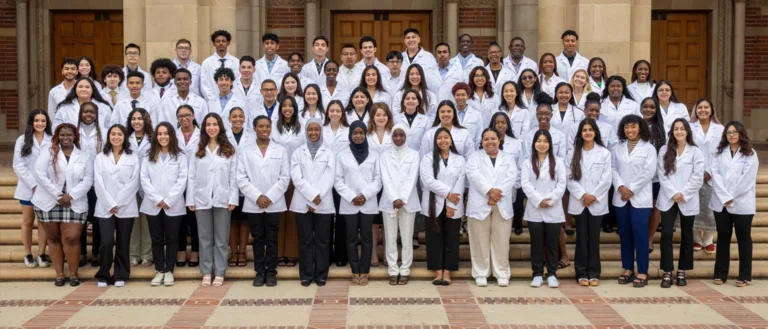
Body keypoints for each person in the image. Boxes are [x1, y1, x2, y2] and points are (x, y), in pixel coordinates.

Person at [32, 123, 92, 286]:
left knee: (71, 238)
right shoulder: (48, 152)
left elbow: (88, 179)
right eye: (62, 135)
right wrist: (58, 195)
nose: (66, 138)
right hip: (49, 201)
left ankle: (73, 274)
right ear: (57, 137)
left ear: (75, 137)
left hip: (74, 201)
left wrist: (70, 196)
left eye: (69, 135)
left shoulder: (84, 155)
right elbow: (40, 175)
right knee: (54, 238)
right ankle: (59, 274)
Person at [186, 113, 239, 287]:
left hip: (223, 199)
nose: (211, 127)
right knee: (204, 237)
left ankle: (220, 271)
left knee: (222, 238)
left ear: (220, 127)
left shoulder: (229, 149)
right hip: (201, 198)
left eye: (214, 124)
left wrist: (233, 198)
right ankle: (207, 271)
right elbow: (191, 176)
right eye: (208, 124)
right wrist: (190, 199)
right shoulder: (197, 149)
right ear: (204, 128)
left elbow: (233, 177)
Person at [238, 115, 291, 287]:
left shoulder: (280, 150)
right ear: (254, 128)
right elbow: (241, 178)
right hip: (254, 203)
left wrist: (268, 197)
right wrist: (257, 197)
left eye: (267, 126)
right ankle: (260, 271)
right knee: (258, 238)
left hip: (274, 202)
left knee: (272, 237)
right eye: (261, 126)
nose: (264, 129)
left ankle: (271, 272)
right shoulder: (245, 151)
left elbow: (284, 178)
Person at [710, 120, 760, 287]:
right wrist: (725, 197)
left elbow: (747, 180)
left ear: (741, 134)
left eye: (734, 132)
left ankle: (744, 275)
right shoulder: (718, 153)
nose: (731, 134)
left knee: (743, 238)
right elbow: (715, 176)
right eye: (728, 132)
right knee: (723, 238)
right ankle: (720, 273)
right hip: (721, 203)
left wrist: (732, 196)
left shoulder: (750, 154)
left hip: (742, 203)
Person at [657, 118, 705, 288]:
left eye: (682, 129)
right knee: (666, 235)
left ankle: (682, 269)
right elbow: (661, 174)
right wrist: (673, 193)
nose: (679, 132)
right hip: (669, 198)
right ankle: (667, 271)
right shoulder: (664, 150)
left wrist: (683, 193)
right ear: (672, 132)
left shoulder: (695, 152)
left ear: (687, 132)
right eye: (676, 129)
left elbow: (698, 177)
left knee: (686, 235)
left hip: (688, 198)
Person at [465, 129, 516, 287]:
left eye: (493, 138)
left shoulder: (508, 158)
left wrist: (496, 195)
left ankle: (501, 272)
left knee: (501, 240)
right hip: (480, 202)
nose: (490, 142)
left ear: (499, 140)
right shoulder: (474, 157)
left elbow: (511, 177)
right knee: (479, 239)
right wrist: (489, 191)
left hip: (501, 203)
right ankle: (481, 272)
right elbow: (473, 175)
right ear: (481, 141)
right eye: (486, 139)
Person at [335, 120, 382, 286]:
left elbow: (378, 180)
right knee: (351, 238)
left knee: (367, 239)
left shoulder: (375, 154)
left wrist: (364, 195)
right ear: (350, 135)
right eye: (355, 133)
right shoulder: (341, 155)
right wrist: (352, 197)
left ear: (365, 134)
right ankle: (355, 271)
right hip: (350, 203)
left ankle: (365, 271)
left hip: (368, 203)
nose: (358, 136)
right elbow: (338, 180)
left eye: (361, 133)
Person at [141, 122, 188, 286]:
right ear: (156, 136)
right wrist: (157, 199)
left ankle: (169, 271)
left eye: (166, 133)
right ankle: (159, 270)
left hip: (173, 204)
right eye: (160, 134)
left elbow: (182, 180)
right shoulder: (148, 155)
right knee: (156, 239)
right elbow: (144, 179)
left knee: (172, 238)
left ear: (172, 136)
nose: (163, 136)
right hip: (152, 204)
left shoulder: (180, 156)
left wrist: (168, 200)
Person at [94, 124, 141, 288]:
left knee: (123, 241)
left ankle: (121, 273)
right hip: (104, 206)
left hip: (125, 206)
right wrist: (109, 203)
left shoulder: (133, 157)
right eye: (113, 134)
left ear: (125, 137)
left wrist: (118, 203)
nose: (116, 137)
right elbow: (98, 182)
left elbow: (133, 182)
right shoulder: (100, 157)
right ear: (109, 137)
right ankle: (104, 273)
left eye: (119, 134)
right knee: (106, 241)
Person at [613, 114, 657, 288]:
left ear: (640, 128)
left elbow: (649, 172)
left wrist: (631, 189)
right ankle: (628, 268)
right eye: (626, 127)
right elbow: (612, 169)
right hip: (621, 197)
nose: (629, 130)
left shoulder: (649, 149)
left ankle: (643, 271)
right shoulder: (617, 148)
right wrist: (620, 187)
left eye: (633, 127)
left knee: (640, 235)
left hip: (640, 198)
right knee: (625, 235)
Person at [566, 118, 611, 287]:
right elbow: (568, 178)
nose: (587, 133)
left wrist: (593, 196)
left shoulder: (604, 153)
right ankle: (581, 273)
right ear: (580, 133)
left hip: (596, 202)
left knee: (594, 238)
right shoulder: (573, 153)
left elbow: (606, 179)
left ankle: (594, 272)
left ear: (595, 133)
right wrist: (583, 195)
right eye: (584, 130)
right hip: (580, 202)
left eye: (590, 130)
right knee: (581, 239)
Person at [291, 118, 335, 286]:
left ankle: (321, 274)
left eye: (317, 129)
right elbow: (296, 177)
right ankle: (306, 274)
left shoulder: (329, 152)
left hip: (323, 203)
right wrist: (311, 196)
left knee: (323, 241)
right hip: (302, 203)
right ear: (306, 131)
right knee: (305, 240)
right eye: (310, 130)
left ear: (321, 131)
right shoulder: (297, 152)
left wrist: (317, 197)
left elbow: (329, 176)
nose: (313, 133)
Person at [522, 129, 566, 288]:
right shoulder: (527, 162)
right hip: (535, 209)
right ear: (534, 143)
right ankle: (537, 274)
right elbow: (525, 184)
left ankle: (552, 274)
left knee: (552, 243)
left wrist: (551, 200)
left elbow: (562, 184)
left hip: (553, 208)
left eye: (545, 141)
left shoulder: (558, 161)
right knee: (537, 244)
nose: (542, 144)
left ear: (550, 144)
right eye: (539, 141)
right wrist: (538, 200)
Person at [421, 128, 466, 286]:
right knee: (434, 239)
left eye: (446, 137)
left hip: (454, 205)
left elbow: (460, 182)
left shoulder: (460, 159)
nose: (443, 140)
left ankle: (447, 272)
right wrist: (448, 194)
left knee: (451, 239)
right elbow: (428, 181)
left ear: (451, 140)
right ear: (435, 141)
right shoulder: (427, 158)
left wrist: (452, 203)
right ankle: (437, 272)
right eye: (439, 138)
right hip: (433, 205)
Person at [379, 123, 420, 285]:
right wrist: (394, 198)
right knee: (390, 238)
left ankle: (405, 269)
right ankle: (393, 269)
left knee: (407, 237)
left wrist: (402, 198)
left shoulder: (414, 155)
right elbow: (385, 178)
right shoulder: (384, 155)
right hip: (389, 202)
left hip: (408, 202)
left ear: (406, 136)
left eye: (401, 135)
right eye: (395, 135)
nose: (398, 138)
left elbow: (412, 178)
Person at [14, 109, 52, 268]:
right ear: (31, 122)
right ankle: (28, 254)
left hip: (46, 188)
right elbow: (18, 165)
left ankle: (42, 253)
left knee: (43, 222)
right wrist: (33, 184)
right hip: (28, 188)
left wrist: (45, 185)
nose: (40, 124)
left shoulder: (52, 140)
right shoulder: (22, 140)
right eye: (37, 121)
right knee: (28, 221)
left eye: (43, 121)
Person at [271, 96, 304, 268]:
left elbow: (305, 151)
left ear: (295, 108)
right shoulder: (274, 127)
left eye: (290, 106)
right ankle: (277, 253)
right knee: (278, 215)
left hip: (297, 176)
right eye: (284, 106)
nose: (287, 109)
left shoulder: (302, 126)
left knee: (292, 215)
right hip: (277, 176)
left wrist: (296, 175)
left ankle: (291, 253)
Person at [689, 98, 723, 254]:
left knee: (710, 206)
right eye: (699, 107)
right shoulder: (689, 127)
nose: (703, 110)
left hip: (713, 173)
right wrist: (698, 171)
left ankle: (708, 239)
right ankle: (696, 238)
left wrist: (709, 171)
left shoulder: (720, 129)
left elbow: (721, 152)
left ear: (711, 110)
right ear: (695, 110)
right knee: (694, 206)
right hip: (692, 172)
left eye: (706, 107)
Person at [322, 101, 350, 267]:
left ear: (342, 113)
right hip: (324, 178)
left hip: (342, 179)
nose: (334, 113)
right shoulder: (321, 130)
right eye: (331, 110)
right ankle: (325, 255)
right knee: (325, 219)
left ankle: (341, 254)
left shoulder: (347, 131)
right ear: (327, 113)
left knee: (342, 219)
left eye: (337, 110)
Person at [77, 103, 105, 267]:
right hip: (79, 182)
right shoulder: (74, 131)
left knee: (97, 220)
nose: (88, 114)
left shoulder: (104, 132)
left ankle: (95, 253)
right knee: (80, 219)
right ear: (81, 114)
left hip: (97, 182)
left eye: (92, 112)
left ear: (96, 114)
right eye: (86, 111)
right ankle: (81, 253)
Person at [226, 107, 253, 268]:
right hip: (228, 183)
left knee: (244, 220)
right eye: (234, 116)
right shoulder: (224, 136)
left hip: (246, 182)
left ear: (244, 118)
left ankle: (242, 252)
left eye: (240, 116)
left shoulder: (251, 136)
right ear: (229, 119)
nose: (237, 119)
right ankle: (233, 252)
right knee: (231, 220)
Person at [126, 108, 153, 268]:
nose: (136, 122)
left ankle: (147, 255)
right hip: (130, 185)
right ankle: (134, 254)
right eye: (133, 119)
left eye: (140, 118)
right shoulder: (125, 138)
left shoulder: (153, 138)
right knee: (133, 221)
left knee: (147, 222)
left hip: (148, 185)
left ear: (146, 121)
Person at [175, 105, 200, 268]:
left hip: (198, 183)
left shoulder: (202, 134)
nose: (184, 118)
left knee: (195, 220)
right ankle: (181, 251)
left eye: (187, 115)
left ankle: (196, 252)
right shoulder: (173, 135)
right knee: (179, 220)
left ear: (193, 116)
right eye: (181, 116)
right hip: (177, 183)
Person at [640, 97, 666, 248]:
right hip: (638, 175)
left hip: (656, 175)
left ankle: (650, 238)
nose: (648, 109)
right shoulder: (635, 125)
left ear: (657, 110)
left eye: (652, 107)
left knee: (656, 206)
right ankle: (641, 237)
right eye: (645, 107)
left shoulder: (661, 129)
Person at [201, 30, 241, 101]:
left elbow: (238, 83)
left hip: (233, 100)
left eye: (223, 41)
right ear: (214, 43)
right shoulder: (206, 63)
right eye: (218, 41)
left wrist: (231, 98)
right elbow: (204, 85)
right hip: (212, 101)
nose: (221, 43)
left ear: (228, 43)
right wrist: (213, 100)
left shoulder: (236, 62)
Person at [233, 56, 262, 121]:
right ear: (239, 69)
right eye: (243, 67)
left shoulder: (260, 87)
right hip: (237, 122)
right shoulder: (232, 87)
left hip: (255, 122)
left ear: (254, 69)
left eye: (249, 67)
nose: (246, 70)